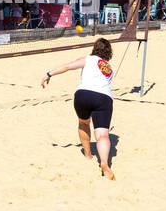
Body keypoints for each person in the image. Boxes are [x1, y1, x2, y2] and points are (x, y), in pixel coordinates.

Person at [41, 37, 117, 180]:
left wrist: (49, 74)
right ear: (108, 53)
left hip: (83, 95)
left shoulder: (88, 59)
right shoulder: (109, 69)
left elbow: (68, 66)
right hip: (104, 98)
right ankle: (105, 163)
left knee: (83, 123)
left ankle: (88, 154)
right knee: (103, 135)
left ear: (95, 49)